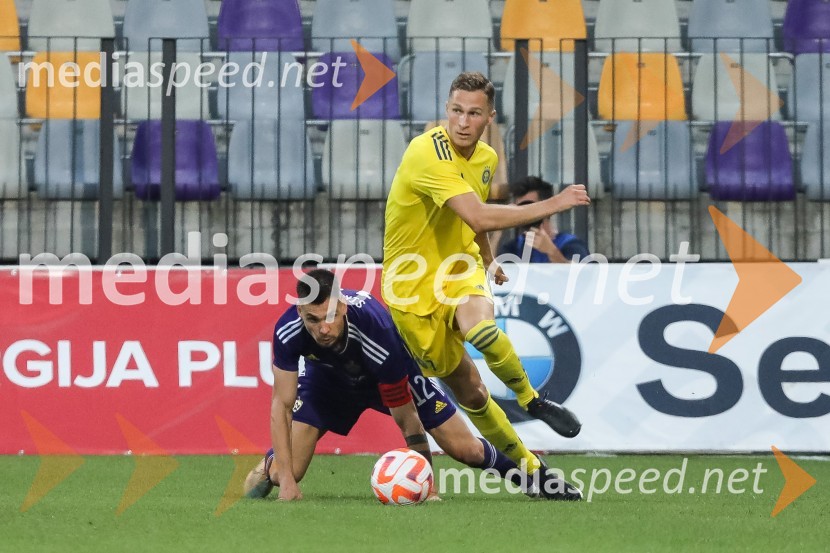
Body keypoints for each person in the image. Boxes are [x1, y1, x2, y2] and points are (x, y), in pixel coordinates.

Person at [382, 71, 589, 479]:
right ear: (446, 110)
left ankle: (532, 400)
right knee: (471, 390)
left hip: (460, 267)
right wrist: (553, 204)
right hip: (410, 288)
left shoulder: (486, 159)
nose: (462, 121)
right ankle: (532, 469)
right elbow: (477, 212)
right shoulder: (425, 153)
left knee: (481, 330)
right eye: (456, 111)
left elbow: (473, 223)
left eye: (473, 113)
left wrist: (489, 258)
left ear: (488, 117)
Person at [245, 269, 581, 501]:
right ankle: (268, 466)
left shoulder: (376, 331)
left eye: (330, 316)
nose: (323, 328)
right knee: (284, 473)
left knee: (466, 449)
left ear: (343, 306)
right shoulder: (289, 330)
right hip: (327, 384)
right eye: (312, 320)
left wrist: (427, 486)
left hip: (390, 374)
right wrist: (287, 481)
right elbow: (282, 405)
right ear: (300, 311)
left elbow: (408, 420)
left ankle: (533, 478)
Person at [496, 176, 591, 263]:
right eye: (521, 208)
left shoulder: (569, 243)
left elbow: (581, 276)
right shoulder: (516, 246)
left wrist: (552, 252)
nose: (525, 212)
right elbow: (490, 271)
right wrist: (500, 224)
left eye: (530, 206)